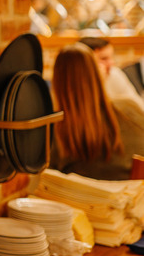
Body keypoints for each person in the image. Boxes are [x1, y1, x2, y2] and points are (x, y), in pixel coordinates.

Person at [50, 43, 144, 181]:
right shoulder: (129, 108)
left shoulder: (57, 130)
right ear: (96, 74)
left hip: (84, 199)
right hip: (132, 197)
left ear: (57, 82)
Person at [78, 37, 144, 110]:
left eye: (111, 57)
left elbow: (138, 106)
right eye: (103, 58)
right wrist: (100, 83)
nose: (112, 63)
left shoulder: (114, 73)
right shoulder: (74, 81)